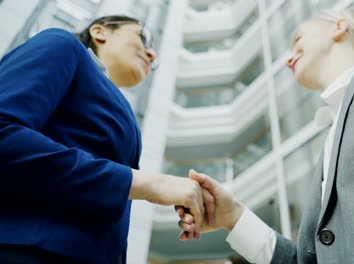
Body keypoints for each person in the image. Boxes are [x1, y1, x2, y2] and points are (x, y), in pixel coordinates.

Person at [177, 7, 354, 264]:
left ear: (339, 27)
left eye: (297, 40)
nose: (287, 59)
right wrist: (233, 217)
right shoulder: (329, 143)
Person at [0, 15, 213, 264]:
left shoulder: (118, 107)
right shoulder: (62, 44)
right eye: (143, 37)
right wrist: (146, 183)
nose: (152, 54)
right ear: (100, 32)